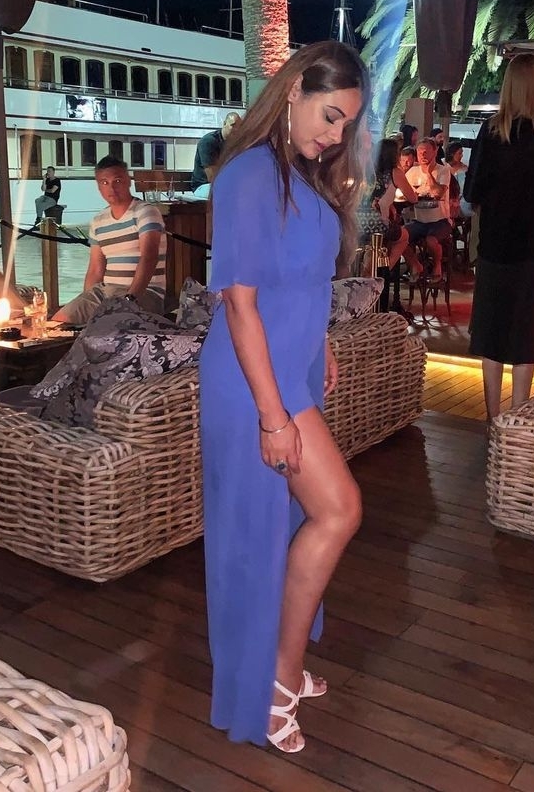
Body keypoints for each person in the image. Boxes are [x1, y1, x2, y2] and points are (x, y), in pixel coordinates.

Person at [199, 40, 368, 753]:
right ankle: (275, 678)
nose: (336, 136)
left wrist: (320, 340)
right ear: (295, 88)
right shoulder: (248, 173)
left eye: (346, 125)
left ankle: (280, 664)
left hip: (289, 369)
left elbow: (296, 278)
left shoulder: (297, 174)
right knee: (336, 510)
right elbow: (239, 303)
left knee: (289, 522)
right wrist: (273, 415)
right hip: (252, 383)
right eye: (330, 116)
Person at [463, 54, 534, 421]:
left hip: (494, 242)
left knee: (492, 331)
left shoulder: (491, 130)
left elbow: (472, 190)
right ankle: (517, 417)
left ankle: (493, 419)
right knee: (527, 334)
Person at [52, 156, 167, 322]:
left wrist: (130, 299)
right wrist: (86, 298)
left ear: (128, 181)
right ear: (98, 186)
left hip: (145, 293)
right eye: (104, 182)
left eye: (117, 181)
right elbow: (95, 269)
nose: (111, 188)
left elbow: (149, 257)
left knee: (111, 322)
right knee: (60, 320)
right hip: (105, 292)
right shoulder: (98, 221)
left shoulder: (145, 212)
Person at [359, 136, 417, 269]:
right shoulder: (395, 172)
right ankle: (385, 268)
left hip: (357, 221)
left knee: (388, 235)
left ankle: (371, 264)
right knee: (404, 237)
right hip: (377, 223)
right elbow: (413, 198)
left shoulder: (367, 170)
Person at [403, 137, 452, 281]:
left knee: (431, 240)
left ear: (435, 152)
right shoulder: (412, 172)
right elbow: (403, 193)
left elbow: (438, 193)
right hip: (419, 220)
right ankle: (415, 265)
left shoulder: (443, 171)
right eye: (420, 152)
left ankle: (437, 265)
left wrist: (429, 173)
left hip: (440, 220)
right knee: (399, 237)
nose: (422, 155)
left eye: (426, 151)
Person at [190, 111, 241, 190]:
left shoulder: (235, 144)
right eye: (233, 125)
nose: (236, 129)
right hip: (203, 186)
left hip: (222, 185)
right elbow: (212, 177)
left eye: (239, 127)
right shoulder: (208, 142)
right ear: (224, 123)